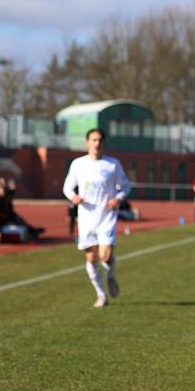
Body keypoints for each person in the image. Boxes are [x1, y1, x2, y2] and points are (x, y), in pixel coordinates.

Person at [63, 128, 131, 308]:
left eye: (100, 140)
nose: (97, 143)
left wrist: (117, 198)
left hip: (106, 217)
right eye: (93, 140)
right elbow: (67, 187)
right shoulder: (78, 164)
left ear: (104, 143)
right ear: (87, 143)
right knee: (92, 259)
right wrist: (73, 197)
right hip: (86, 218)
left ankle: (110, 274)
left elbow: (125, 186)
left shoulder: (112, 164)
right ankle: (101, 295)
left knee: (105, 255)